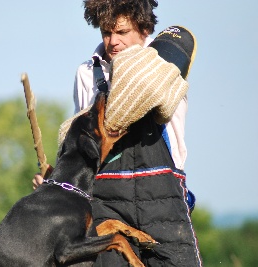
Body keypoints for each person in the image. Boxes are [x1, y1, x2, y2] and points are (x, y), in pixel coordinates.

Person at [33, 0, 202, 266]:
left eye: (122, 32)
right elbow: (83, 142)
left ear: (144, 30)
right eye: (106, 32)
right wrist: (59, 180)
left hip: (162, 200)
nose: (113, 41)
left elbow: (149, 95)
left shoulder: (164, 68)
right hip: (104, 202)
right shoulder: (86, 74)